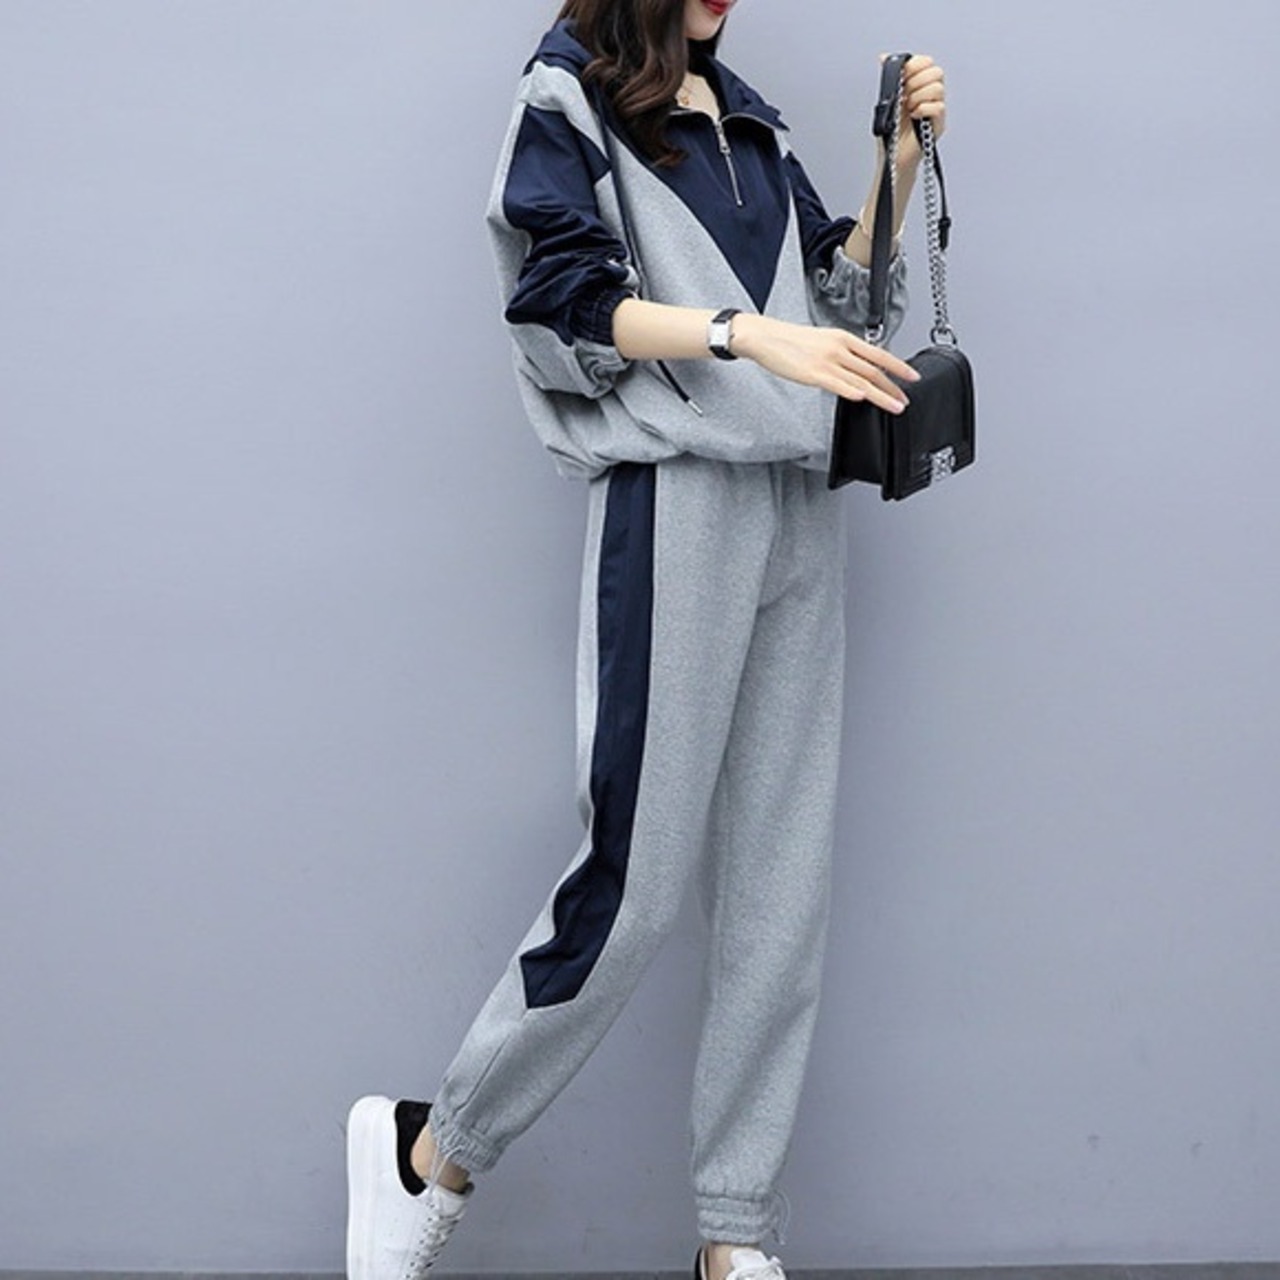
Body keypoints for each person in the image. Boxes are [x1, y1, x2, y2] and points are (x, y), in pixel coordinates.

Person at [345, 2, 947, 1278]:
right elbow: (558, 307)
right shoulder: (564, 96)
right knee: (633, 884)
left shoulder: (744, 117)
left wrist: (895, 159)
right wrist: (738, 331)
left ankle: (736, 1235)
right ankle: (431, 1149)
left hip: (800, 509)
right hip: (676, 501)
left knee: (779, 894)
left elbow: (842, 303)